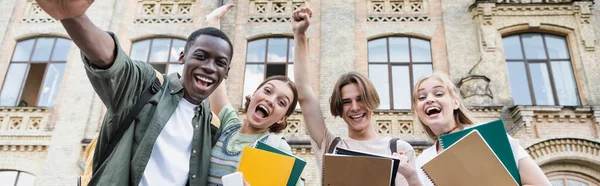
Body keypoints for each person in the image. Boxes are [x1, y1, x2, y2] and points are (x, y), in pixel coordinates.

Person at [35, 1, 234, 185]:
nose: (209, 67)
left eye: (220, 63)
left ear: (226, 72)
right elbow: (110, 60)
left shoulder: (212, 127)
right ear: (182, 57)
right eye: (201, 57)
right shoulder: (147, 86)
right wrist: (74, 17)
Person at [291, 7, 422, 186]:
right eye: (346, 102)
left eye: (360, 99)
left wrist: (412, 176)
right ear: (340, 108)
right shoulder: (331, 147)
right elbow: (304, 94)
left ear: (371, 100)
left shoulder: (399, 150)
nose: (354, 107)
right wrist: (299, 35)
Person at [412, 72, 552, 186]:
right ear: (417, 111)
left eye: (438, 94)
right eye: (422, 97)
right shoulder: (421, 161)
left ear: (456, 103)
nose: (429, 100)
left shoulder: (489, 136)